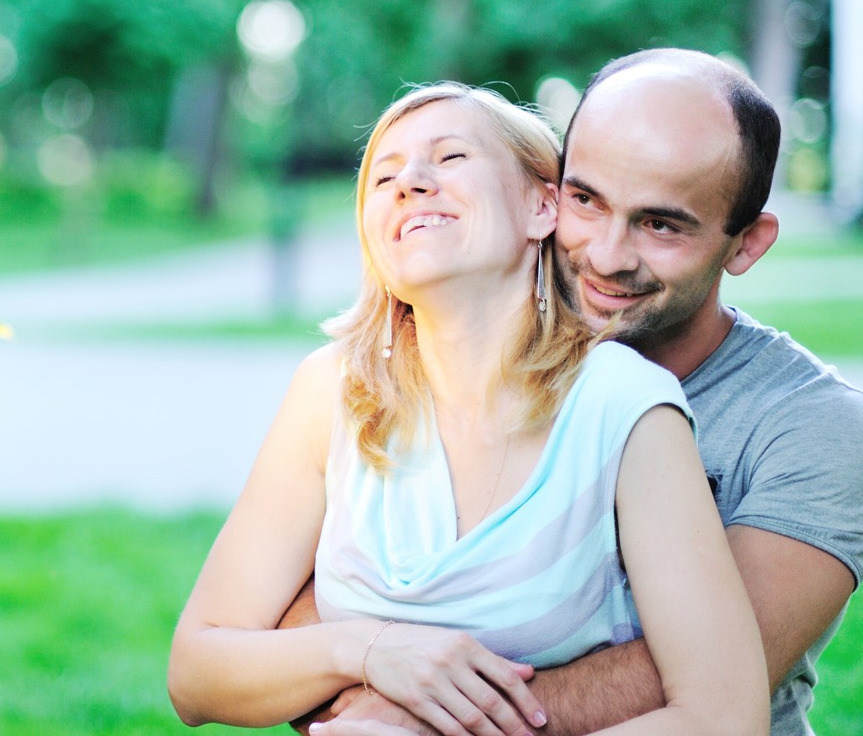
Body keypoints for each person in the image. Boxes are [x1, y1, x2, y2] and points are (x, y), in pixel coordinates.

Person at [167, 81, 768, 736]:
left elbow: (724, 714)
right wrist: (367, 650)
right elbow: (197, 673)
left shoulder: (625, 406)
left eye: (450, 158)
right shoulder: (332, 390)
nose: (411, 182)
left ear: (543, 206)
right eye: (384, 176)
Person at [297, 49, 863, 736]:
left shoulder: (814, 427)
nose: (605, 255)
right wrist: (366, 663)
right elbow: (295, 608)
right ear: (546, 193)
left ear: (745, 245)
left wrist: (409, 712)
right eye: (586, 200)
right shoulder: (434, 362)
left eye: (661, 224)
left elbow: (693, 683)